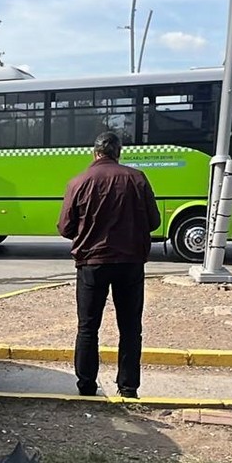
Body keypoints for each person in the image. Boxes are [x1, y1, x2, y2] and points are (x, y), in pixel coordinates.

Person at [57, 132, 161, 398]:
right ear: (119, 152)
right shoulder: (137, 179)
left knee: (88, 327)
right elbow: (154, 222)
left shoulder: (78, 182)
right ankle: (128, 388)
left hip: (92, 263)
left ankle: (87, 387)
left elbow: (65, 227)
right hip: (130, 263)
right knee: (130, 328)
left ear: (95, 153)